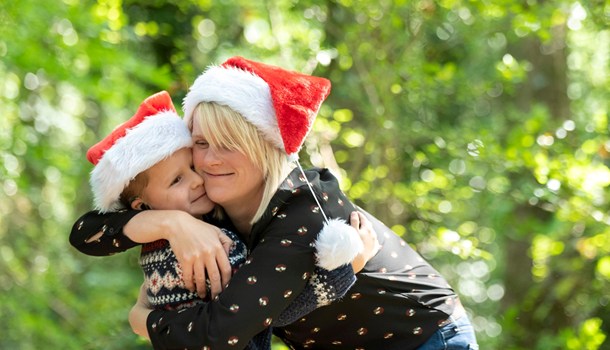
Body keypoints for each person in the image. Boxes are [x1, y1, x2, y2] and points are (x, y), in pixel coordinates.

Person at [72, 56, 478, 349]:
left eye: (229, 145)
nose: (210, 160)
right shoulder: (203, 199)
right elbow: (86, 232)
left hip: (424, 337)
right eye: (200, 143)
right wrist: (170, 225)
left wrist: (141, 320)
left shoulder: (306, 210)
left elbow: (220, 335)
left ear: (265, 147)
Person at [75, 90, 377, 349]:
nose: (200, 175)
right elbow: (259, 319)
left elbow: (245, 317)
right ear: (142, 205)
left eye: (191, 168)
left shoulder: (283, 209)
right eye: (201, 145)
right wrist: (340, 273)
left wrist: (142, 318)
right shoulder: (208, 242)